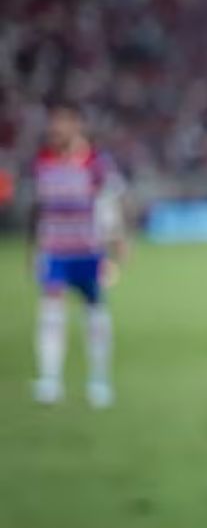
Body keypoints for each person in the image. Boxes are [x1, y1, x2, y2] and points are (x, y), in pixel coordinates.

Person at [29, 103, 126, 409]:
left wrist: (116, 242)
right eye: (53, 124)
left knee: (95, 312)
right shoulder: (43, 161)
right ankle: (50, 379)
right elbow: (39, 208)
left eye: (62, 124)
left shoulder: (96, 163)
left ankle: (99, 380)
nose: (55, 130)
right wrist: (34, 248)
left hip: (86, 249)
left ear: (77, 126)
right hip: (55, 249)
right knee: (50, 313)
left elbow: (110, 202)